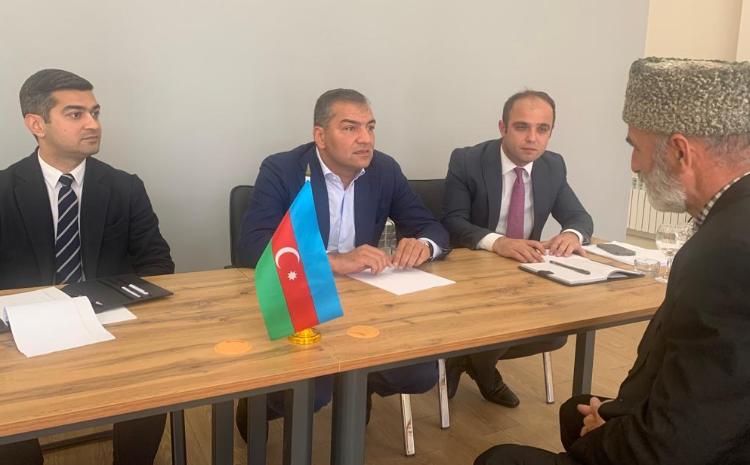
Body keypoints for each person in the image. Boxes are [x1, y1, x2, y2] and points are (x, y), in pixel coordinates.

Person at [475, 57, 750, 465]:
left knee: (498, 459)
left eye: (636, 148)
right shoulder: (730, 227)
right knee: (576, 411)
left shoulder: (724, 253)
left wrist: (607, 434)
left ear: (680, 152)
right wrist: (617, 414)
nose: (633, 165)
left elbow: (681, 440)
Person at [235, 88, 450, 438]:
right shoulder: (283, 169)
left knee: (420, 373)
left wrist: (423, 246)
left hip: (364, 301)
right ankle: (258, 404)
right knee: (313, 390)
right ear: (320, 136)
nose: (366, 139)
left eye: (370, 127)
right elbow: (252, 245)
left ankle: (357, 387)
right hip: (302, 295)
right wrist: (332, 261)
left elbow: (431, 227)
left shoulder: (384, 170)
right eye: (350, 128)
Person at [0, 69, 174, 465]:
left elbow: (157, 263)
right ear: (36, 124)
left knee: (153, 380)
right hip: (24, 331)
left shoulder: (124, 187)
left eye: (95, 113)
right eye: (75, 114)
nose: (93, 124)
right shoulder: (4, 190)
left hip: (112, 321)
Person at [441, 90, 593, 407]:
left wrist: (571, 234)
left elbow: (579, 217)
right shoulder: (467, 161)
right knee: (501, 324)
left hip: (523, 275)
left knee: (555, 334)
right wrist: (499, 242)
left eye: (542, 129)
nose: (532, 138)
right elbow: (453, 222)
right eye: (522, 127)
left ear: (551, 132)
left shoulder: (552, 166)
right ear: (503, 127)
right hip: (471, 276)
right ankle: (483, 369)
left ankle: (471, 360)